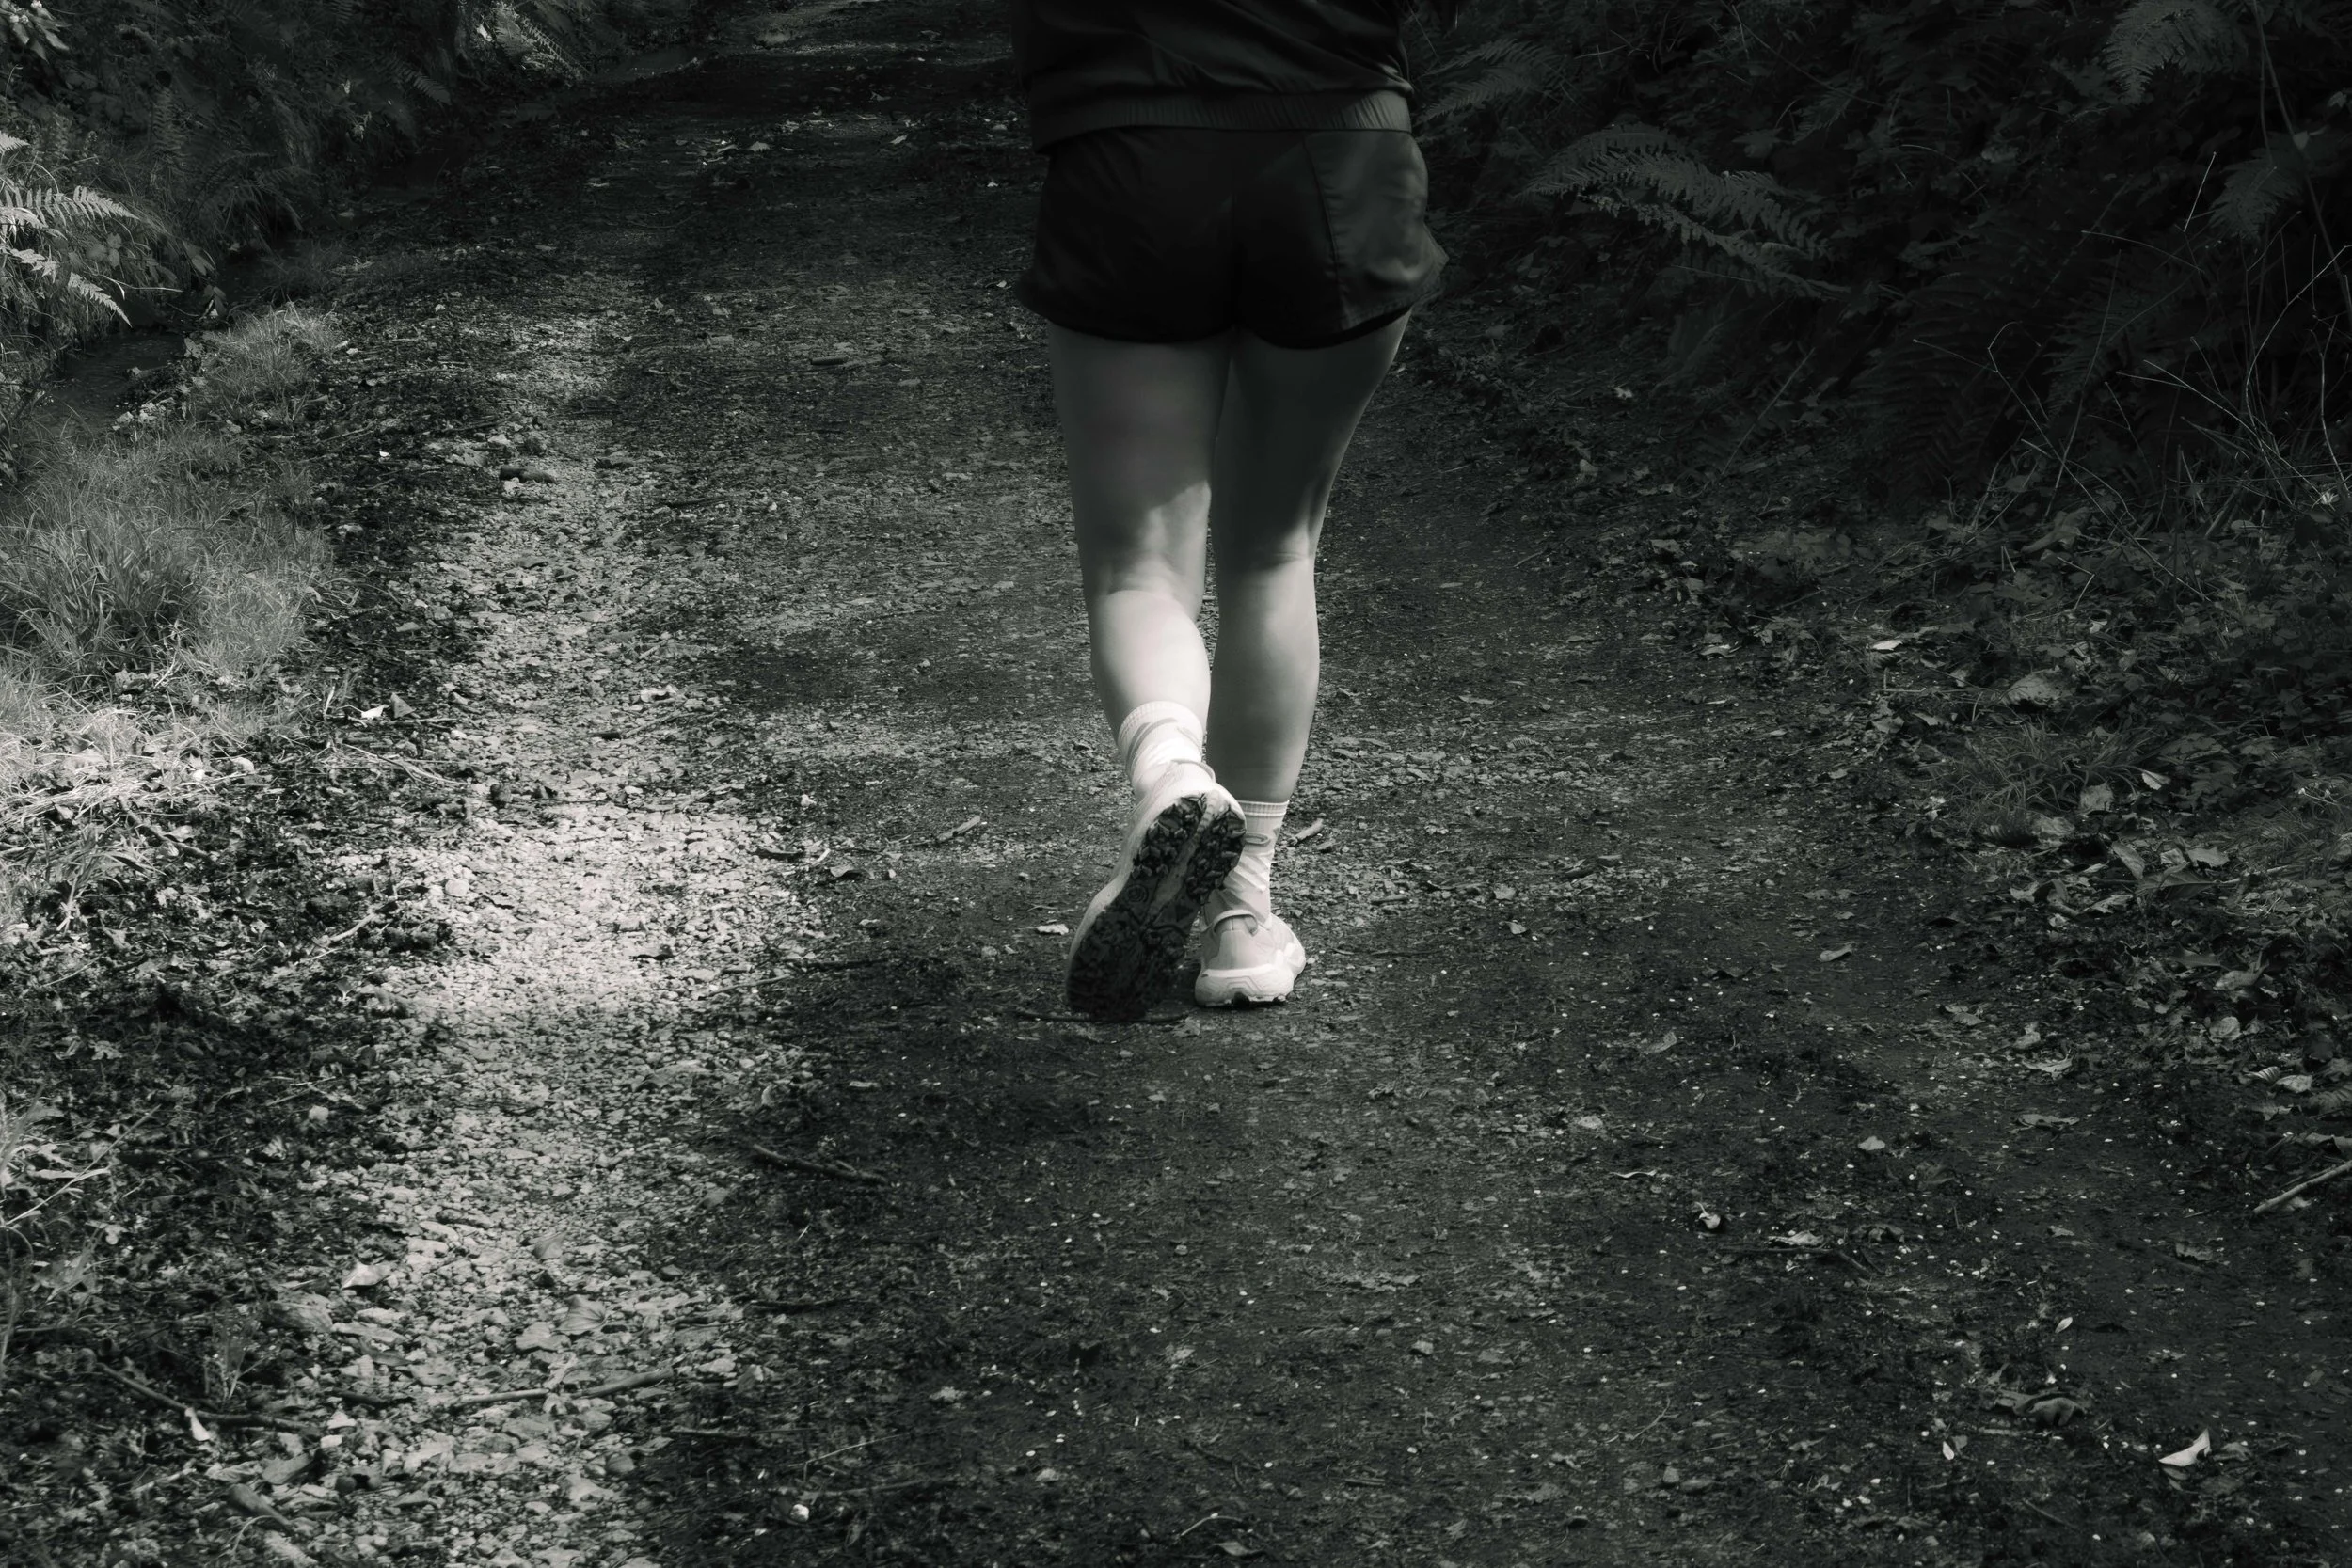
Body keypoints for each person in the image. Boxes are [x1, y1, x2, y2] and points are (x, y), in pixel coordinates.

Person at [1009, 1, 1451, 1021]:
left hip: (1131, 148)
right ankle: (1242, 914)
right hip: (1342, 156)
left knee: (1139, 564)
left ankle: (1170, 775)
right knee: (1274, 551)